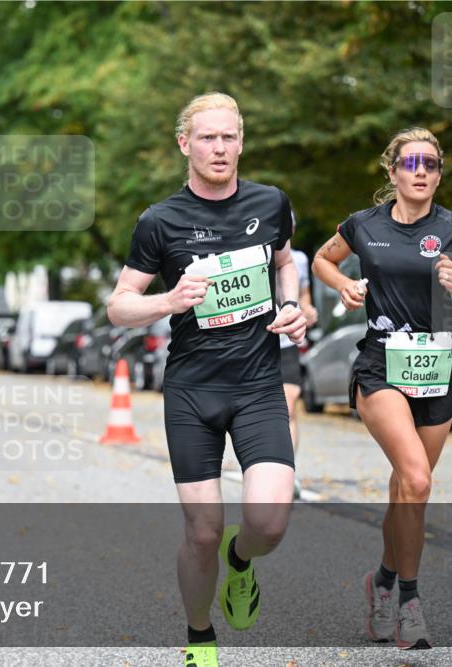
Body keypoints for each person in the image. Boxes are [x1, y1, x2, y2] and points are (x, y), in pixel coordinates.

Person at [107, 92, 307, 667]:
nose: (219, 148)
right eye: (207, 138)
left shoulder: (271, 203)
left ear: (241, 141)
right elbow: (119, 306)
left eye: (228, 137)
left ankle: (240, 564)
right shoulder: (159, 221)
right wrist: (168, 300)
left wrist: (290, 303)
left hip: (257, 385)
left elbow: (285, 259)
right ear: (185, 145)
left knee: (268, 522)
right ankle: (199, 639)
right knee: (201, 531)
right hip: (193, 391)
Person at [312, 127, 452, 650]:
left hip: (436, 371)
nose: (420, 171)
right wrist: (342, 284)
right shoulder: (363, 226)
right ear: (391, 171)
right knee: (416, 478)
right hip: (381, 366)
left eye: (431, 164)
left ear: (438, 174)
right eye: (410, 162)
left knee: (406, 490)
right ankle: (410, 602)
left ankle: (383, 581)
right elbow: (325, 257)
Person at [278, 245, 318, 499]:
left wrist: (308, 310)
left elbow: (305, 297)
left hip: (286, 344)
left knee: (288, 407)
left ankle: (285, 475)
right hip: (252, 344)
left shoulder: (299, 259)